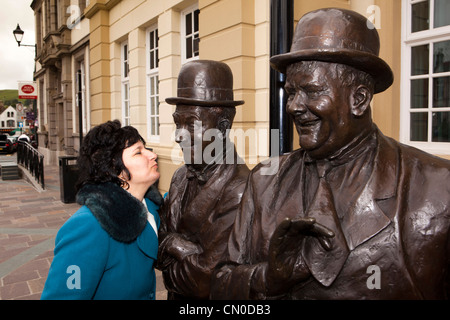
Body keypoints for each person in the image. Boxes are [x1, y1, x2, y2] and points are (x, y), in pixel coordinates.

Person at [211, 8, 450, 299]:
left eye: (311, 91)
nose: (294, 106)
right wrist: (268, 278)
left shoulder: (438, 189)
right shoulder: (264, 180)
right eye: (292, 92)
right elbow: (221, 286)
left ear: (358, 99)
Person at [157, 60, 250, 299]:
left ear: (222, 127)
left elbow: (205, 281)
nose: (178, 135)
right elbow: (157, 250)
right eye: (178, 122)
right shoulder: (179, 176)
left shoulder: (239, 189)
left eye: (191, 124)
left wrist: (171, 245)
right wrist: (176, 246)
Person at [41, 120, 161, 300]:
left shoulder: (150, 207)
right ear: (112, 168)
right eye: (138, 152)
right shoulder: (88, 226)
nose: (153, 155)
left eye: (146, 148)